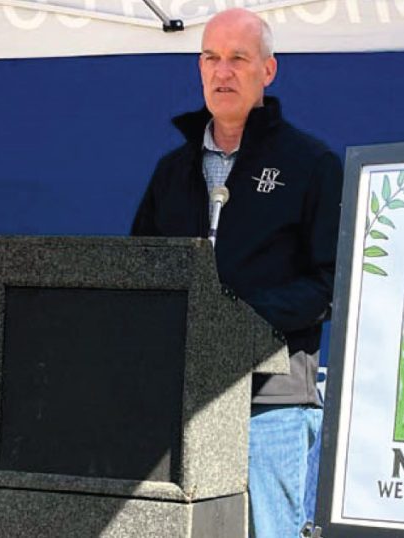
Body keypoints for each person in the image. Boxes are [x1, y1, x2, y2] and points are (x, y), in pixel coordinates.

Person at [130, 8, 342, 538]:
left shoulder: (311, 164)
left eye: (237, 59)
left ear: (267, 71)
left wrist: (235, 319)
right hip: (182, 400)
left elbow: (332, 284)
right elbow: (139, 274)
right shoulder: (171, 171)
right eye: (211, 58)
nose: (222, 72)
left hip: (271, 402)